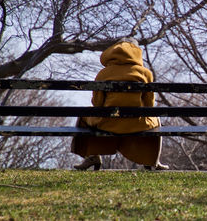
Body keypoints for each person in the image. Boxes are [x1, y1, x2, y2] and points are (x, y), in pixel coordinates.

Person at [71, 37, 168, 171]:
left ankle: (92, 157)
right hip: (137, 124)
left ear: (114, 51)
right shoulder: (145, 73)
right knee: (155, 119)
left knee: (84, 115)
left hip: (107, 123)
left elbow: (97, 104)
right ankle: (153, 161)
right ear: (137, 52)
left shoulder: (103, 73)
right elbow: (149, 105)